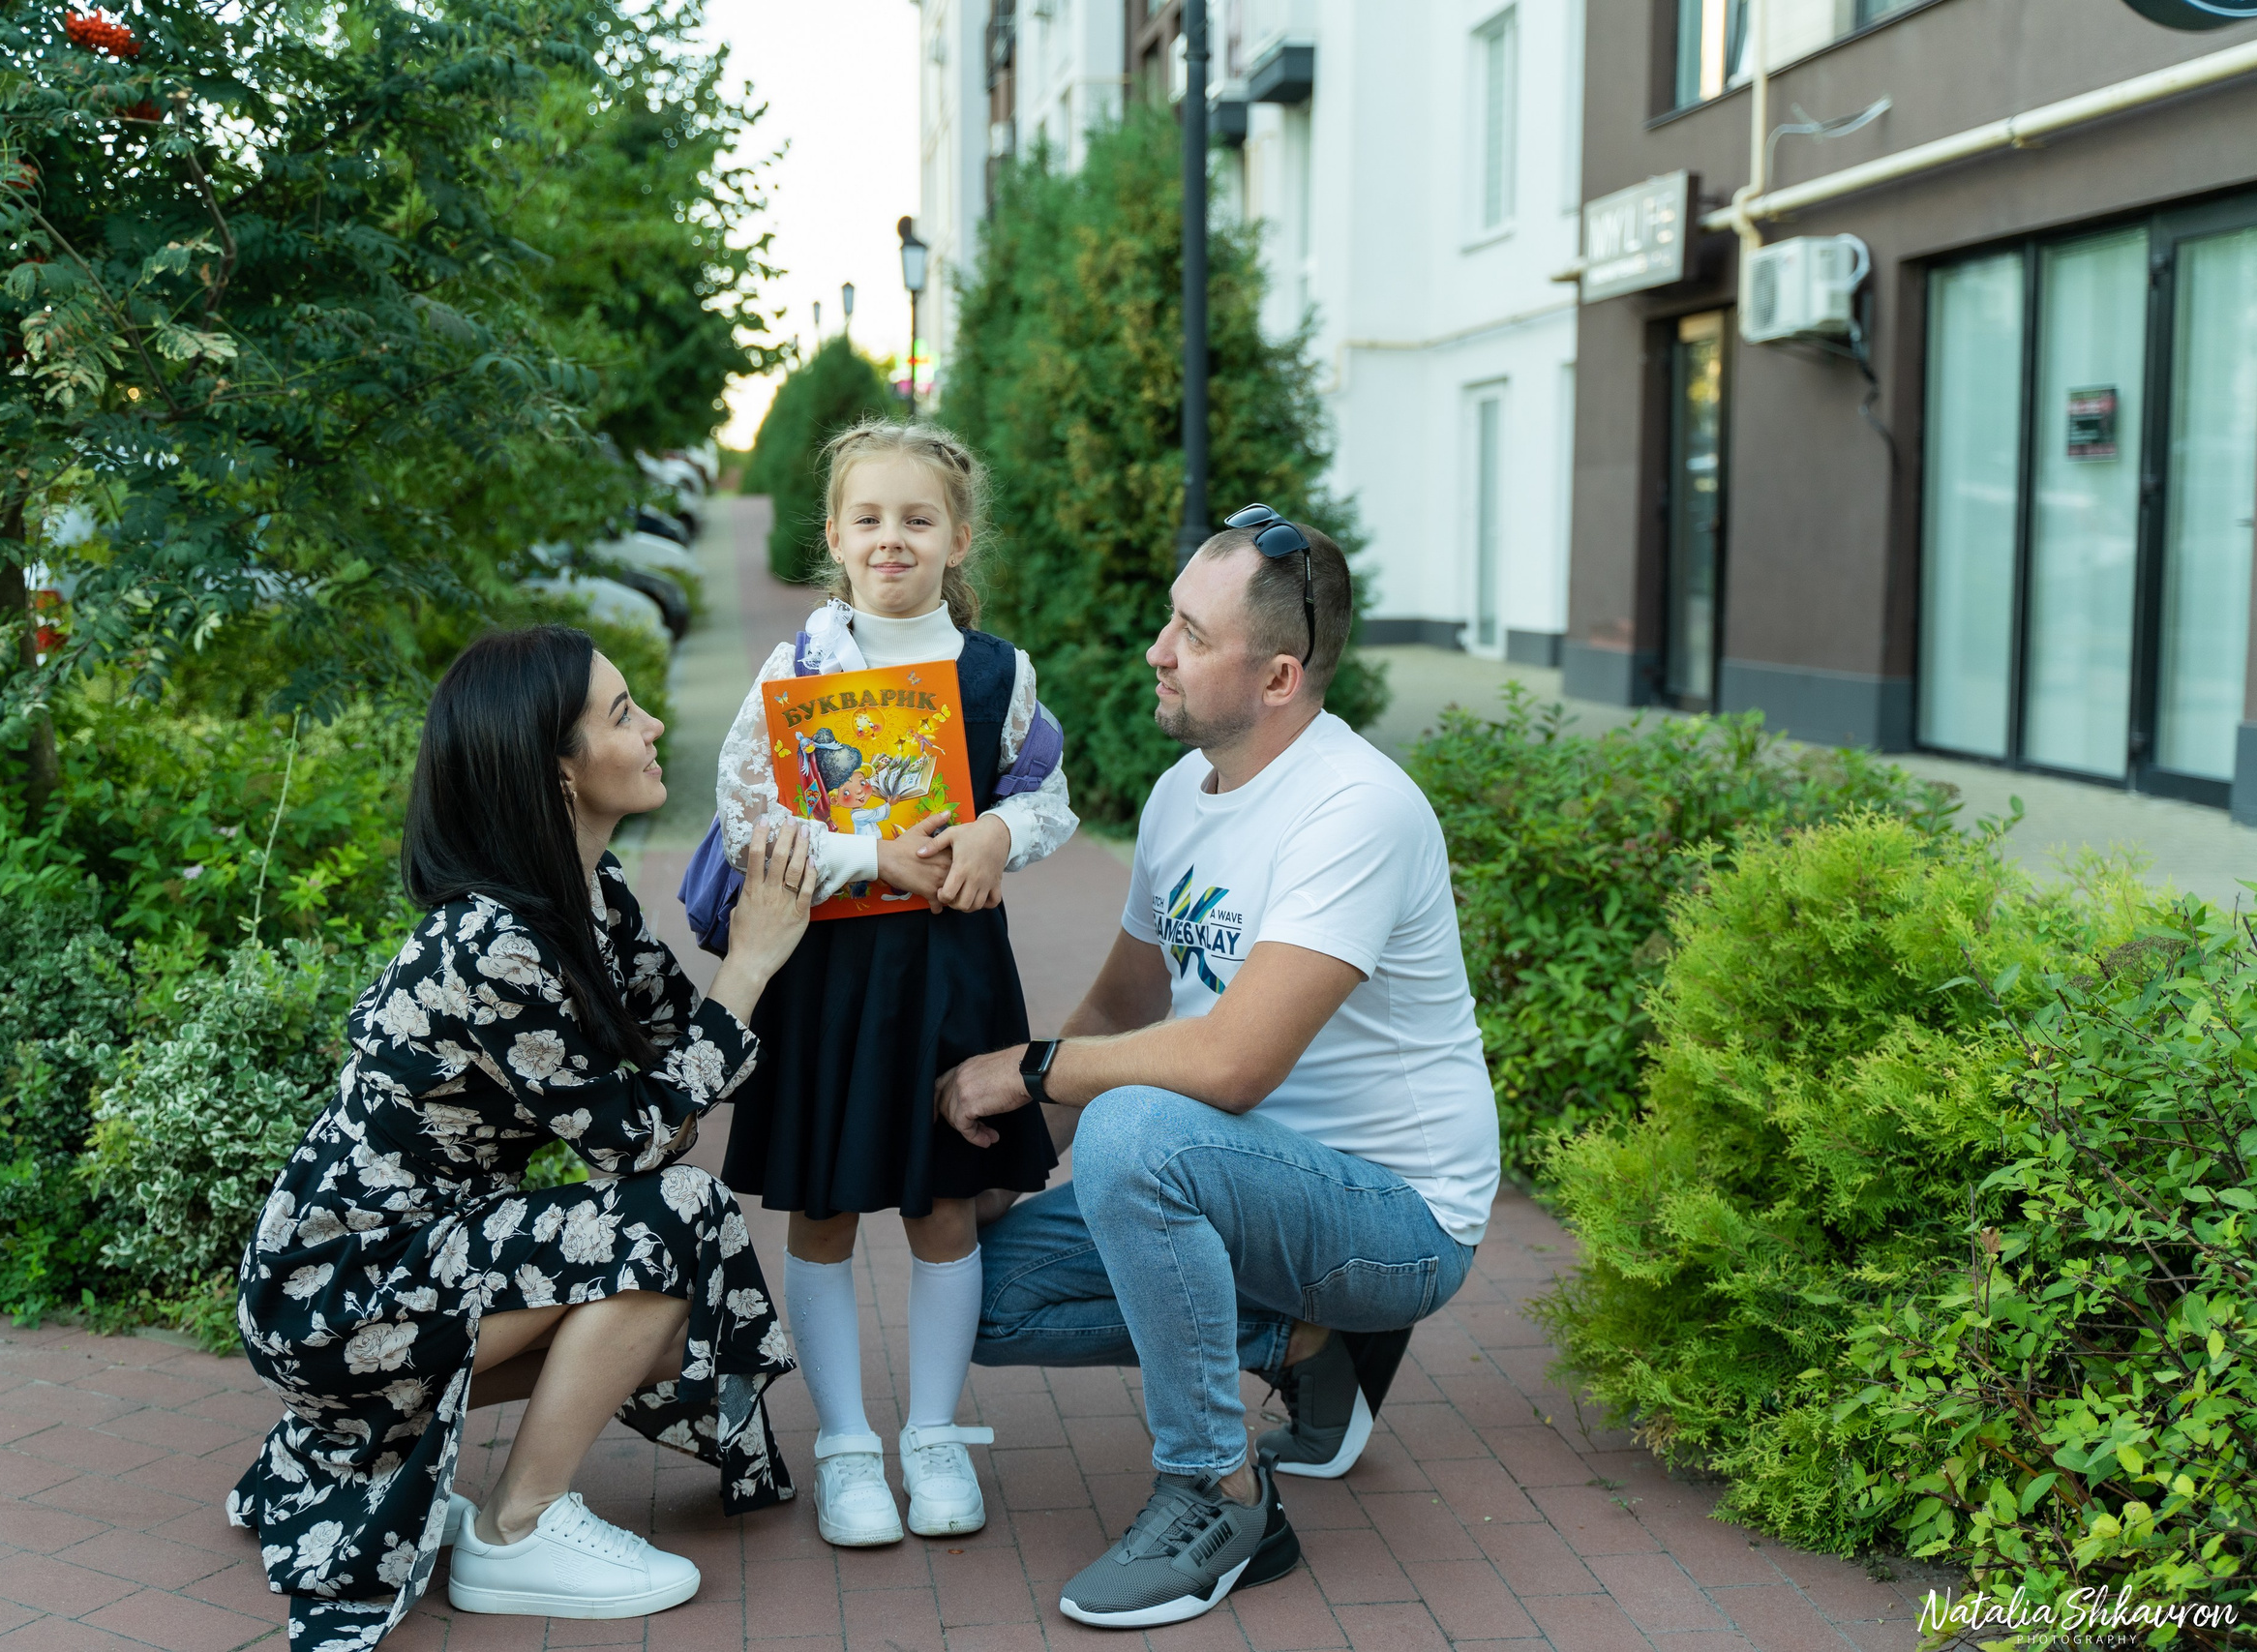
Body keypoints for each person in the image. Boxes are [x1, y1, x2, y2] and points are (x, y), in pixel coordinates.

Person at [935, 506, 1501, 1630]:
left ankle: (1221, 1492)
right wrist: (1000, 1166)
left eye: (1190, 634)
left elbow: (1233, 1065)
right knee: (964, 1289)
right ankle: (1303, 1337)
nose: (1157, 649)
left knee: (1136, 1130)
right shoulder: (1179, 795)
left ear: (1278, 674)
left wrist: (1033, 1070)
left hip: (1394, 1217)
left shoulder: (1357, 810)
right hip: (1240, 1185)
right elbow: (1124, 1003)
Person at [228, 625, 817, 1648]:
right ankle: (516, 1529)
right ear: (556, 767)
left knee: (668, 1316)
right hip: (332, 1290)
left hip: (423, 1256)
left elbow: (682, 1037)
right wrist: (752, 966)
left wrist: (814, 883)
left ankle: (373, 1435)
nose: (653, 729)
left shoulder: (589, 896)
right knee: (674, 1222)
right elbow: (636, 1144)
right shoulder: (489, 939)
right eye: (623, 714)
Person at [705, 420, 1078, 1548]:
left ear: (958, 539)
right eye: (869, 518)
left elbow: (1051, 793)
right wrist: (873, 858)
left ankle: (931, 1432)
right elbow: (743, 817)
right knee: (822, 1209)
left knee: (942, 1204)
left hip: (952, 977)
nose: (892, 539)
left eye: (919, 519)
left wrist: (999, 835)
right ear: (833, 535)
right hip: (829, 974)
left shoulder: (997, 671)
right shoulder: (799, 671)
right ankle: (846, 1446)